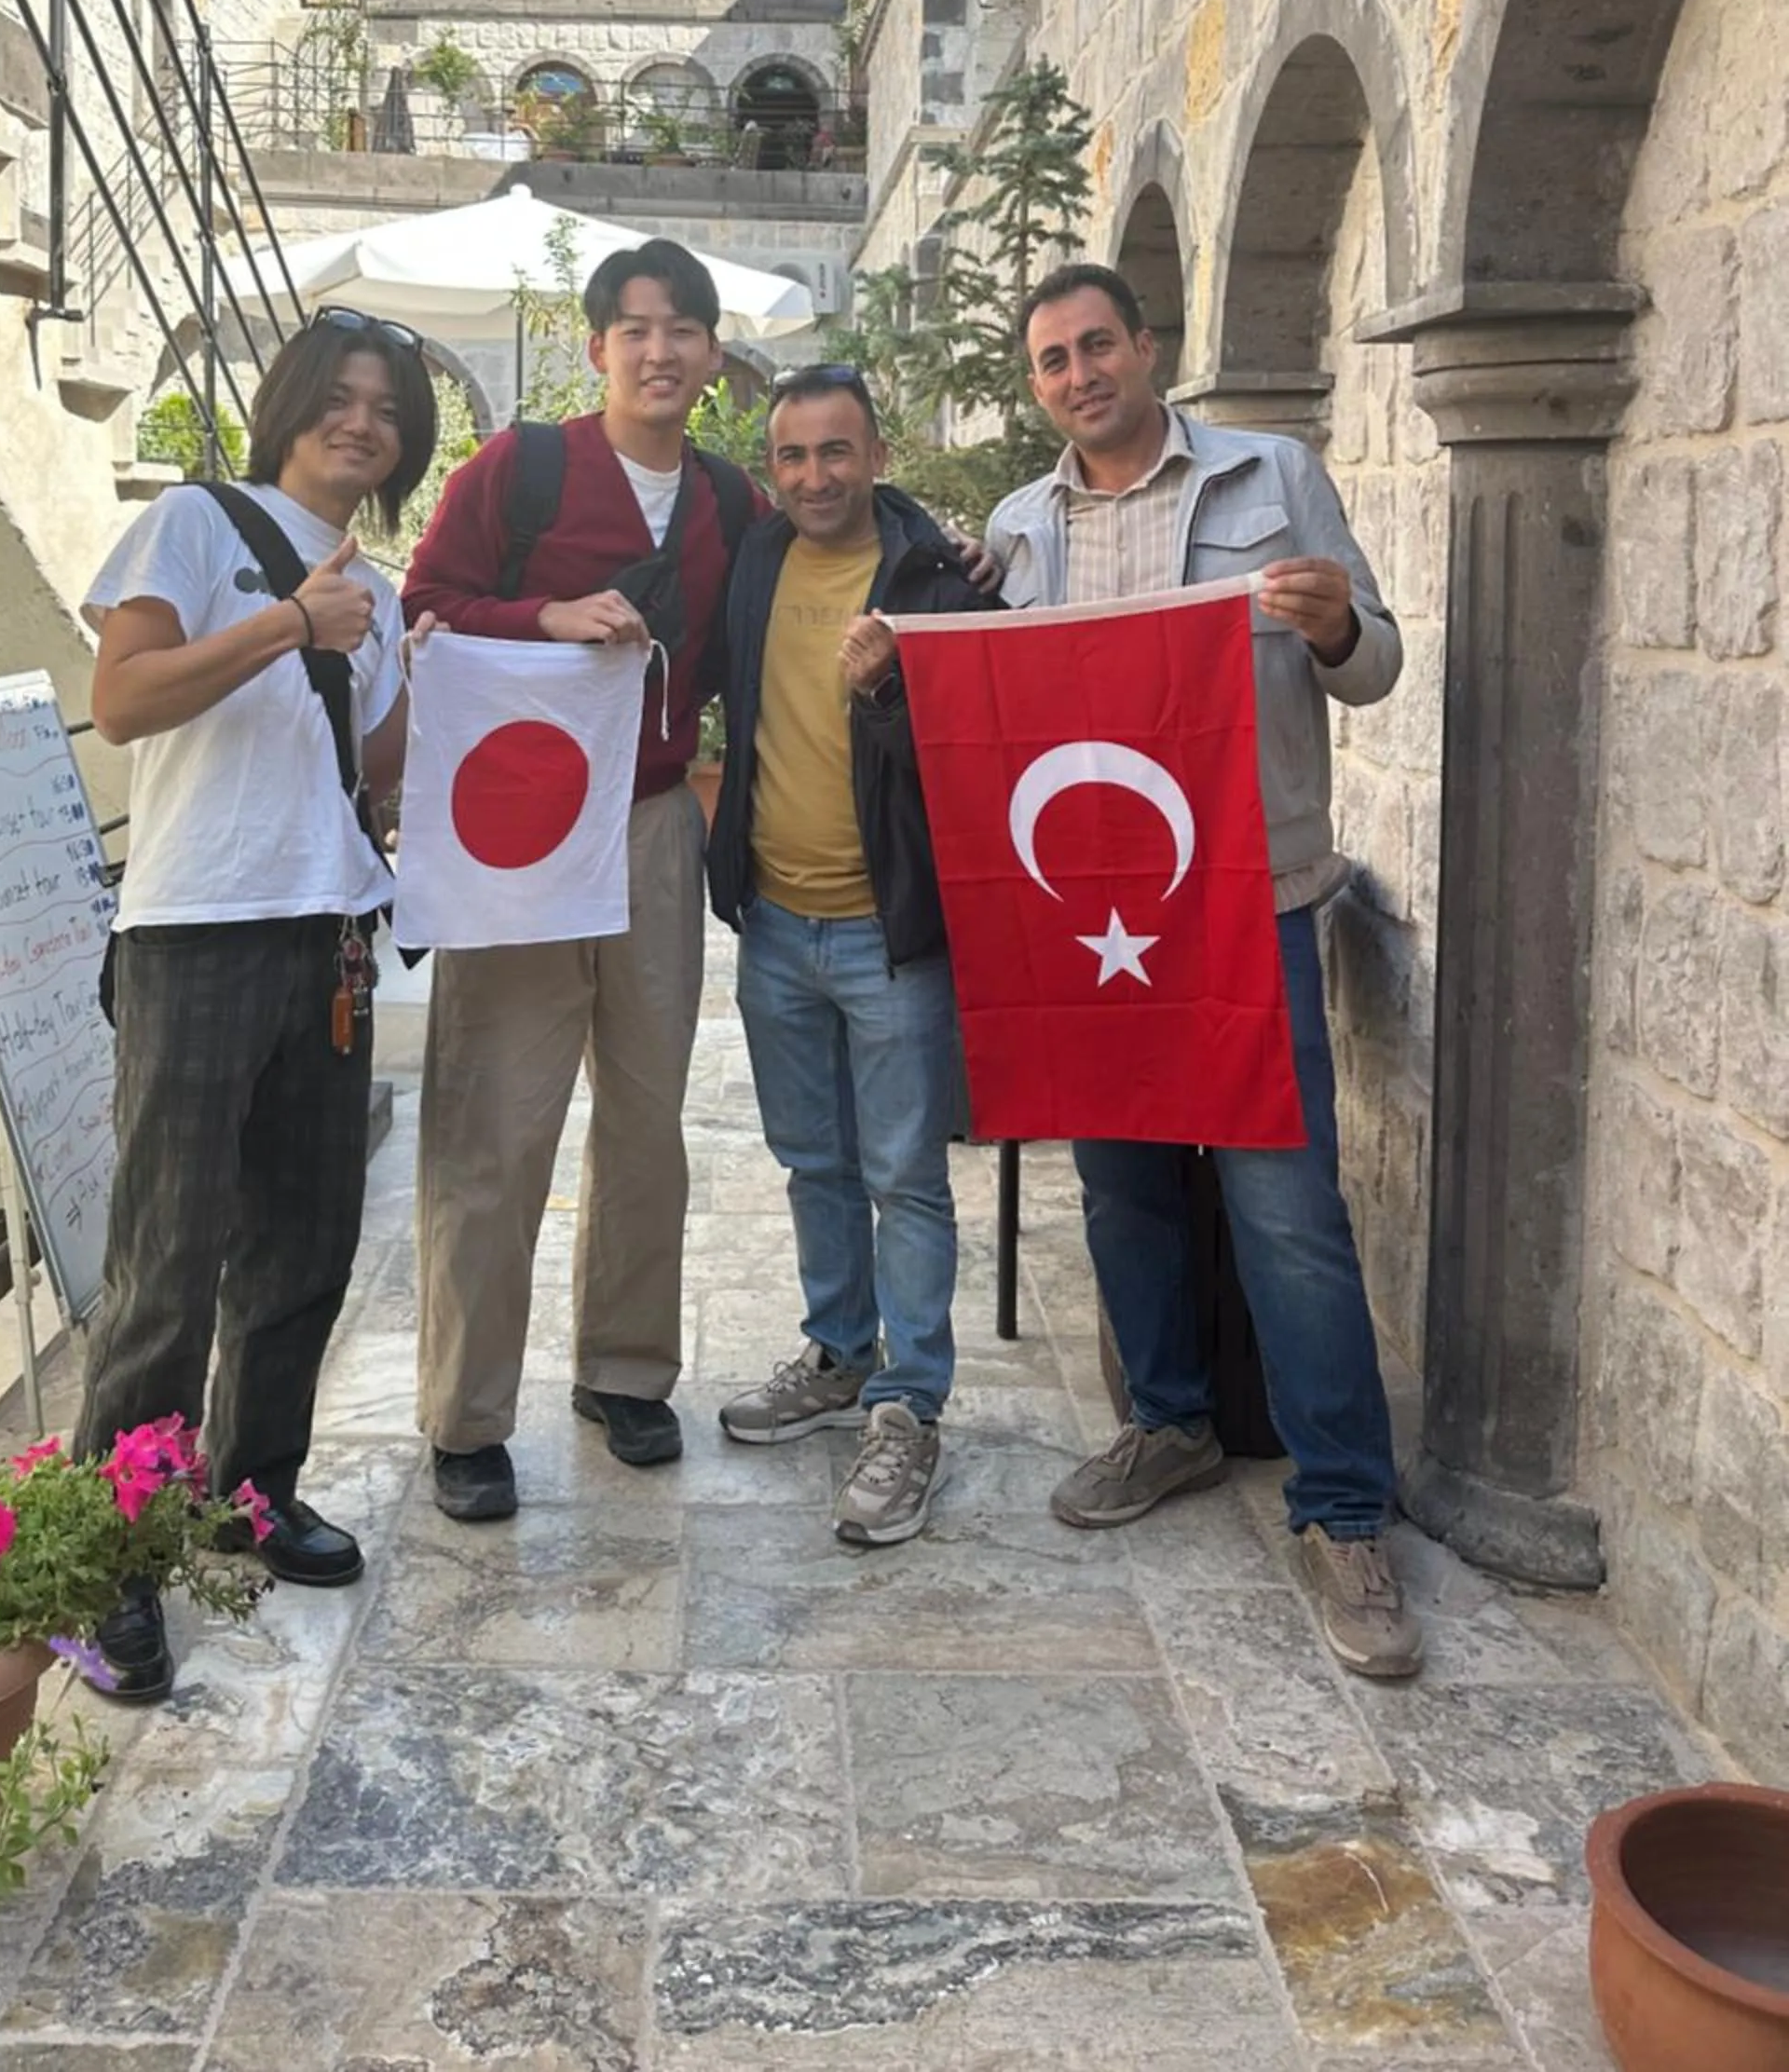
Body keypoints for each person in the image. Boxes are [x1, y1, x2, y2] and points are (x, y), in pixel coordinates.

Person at [987, 260, 1422, 1680]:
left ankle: (1345, 1507)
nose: (1076, 374)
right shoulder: (1016, 525)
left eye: (1095, 345)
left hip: (1252, 899)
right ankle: (1167, 1419)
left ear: (1146, 348)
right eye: (1050, 359)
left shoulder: (1268, 477)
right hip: (1090, 916)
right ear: (1036, 383)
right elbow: (997, 708)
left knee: (1284, 1206)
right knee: (1118, 1181)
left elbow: (1376, 666)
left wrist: (1330, 626)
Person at [75, 311, 437, 1698]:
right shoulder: (191, 523)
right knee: (166, 1254)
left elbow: (383, 761)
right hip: (197, 929)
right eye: (339, 400)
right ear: (289, 404)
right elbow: (121, 701)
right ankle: (115, 1557)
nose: (361, 424)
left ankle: (251, 1489)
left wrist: (438, 653)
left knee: (305, 1235)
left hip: (331, 928)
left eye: (386, 411)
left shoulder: (383, 587)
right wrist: (292, 621)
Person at [399, 239, 765, 1520]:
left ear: (713, 356)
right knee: (495, 1119)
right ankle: (465, 1413)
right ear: (598, 345)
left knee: (646, 1117)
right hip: (523, 832)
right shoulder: (525, 468)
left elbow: (792, 610)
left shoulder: (730, 501)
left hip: (657, 824)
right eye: (635, 327)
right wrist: (543, 619)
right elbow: (426, 610)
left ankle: (623, 1369)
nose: (659, 350)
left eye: (684, 329)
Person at [706, 365, 995, 1546]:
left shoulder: (941, 579)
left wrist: (890, 694)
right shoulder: (757, 562)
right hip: (776, 921)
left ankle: (909, 1405)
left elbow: (976, 752)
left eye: (837, 452)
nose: (815, 476)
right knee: (810, 1158)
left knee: (905, 1176)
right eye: (792, 456)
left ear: (878, 454)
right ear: (771, 468)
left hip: (892, 934)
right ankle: (838, 1351)